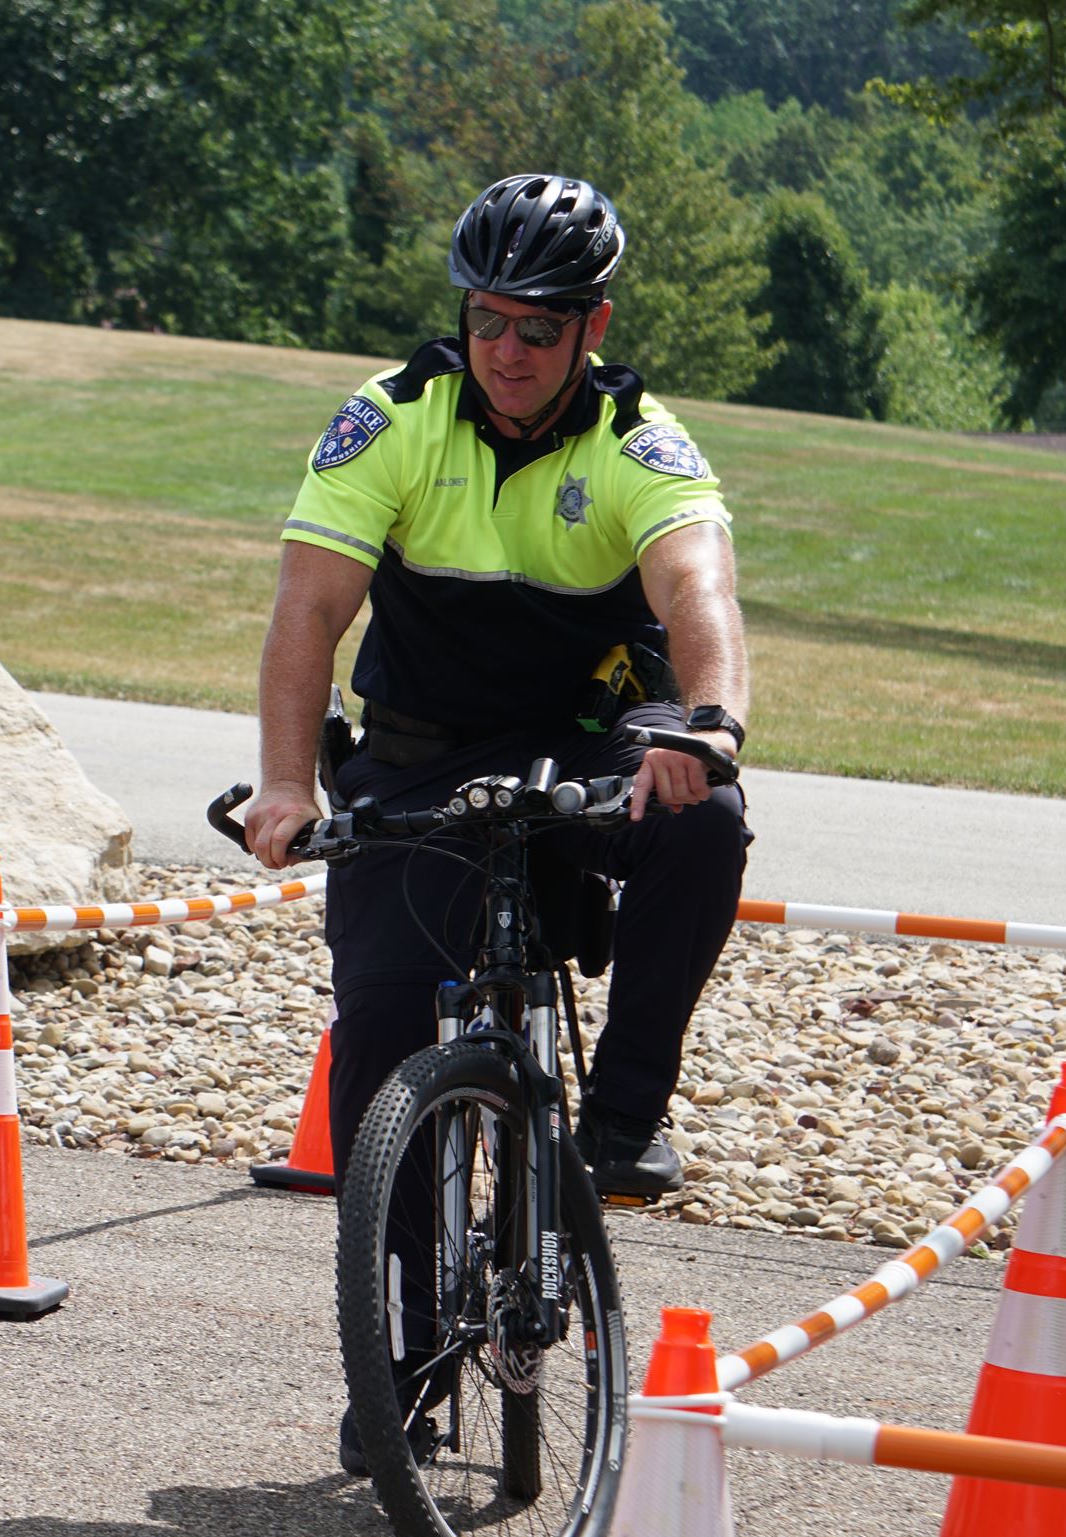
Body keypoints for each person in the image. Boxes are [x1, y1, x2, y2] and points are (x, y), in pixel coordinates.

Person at [240, 174, 753, 1469]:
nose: (510, 351)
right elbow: (310, 612)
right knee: (376, 1048)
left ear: (594, 325)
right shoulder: (390, 421)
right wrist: (289, 784)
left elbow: (697, 586)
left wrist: (710, 721)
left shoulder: (640, 444)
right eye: (488, 321)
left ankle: (625, 1116)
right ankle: (403, 1360)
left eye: (540, 326)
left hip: (591, 742)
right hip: (418, 756)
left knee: (711, 820)